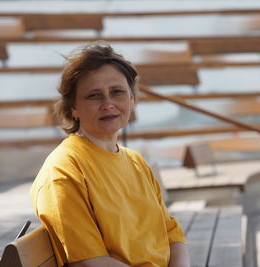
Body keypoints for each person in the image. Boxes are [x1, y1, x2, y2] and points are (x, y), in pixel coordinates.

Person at [30, 42, 190, 267]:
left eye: (117, 92)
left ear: (132, 99)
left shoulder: (136, 162)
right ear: (73, 108)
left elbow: (172, 234)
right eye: (94, 96)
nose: (108, 104)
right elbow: (89, 261)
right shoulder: (64, 169)